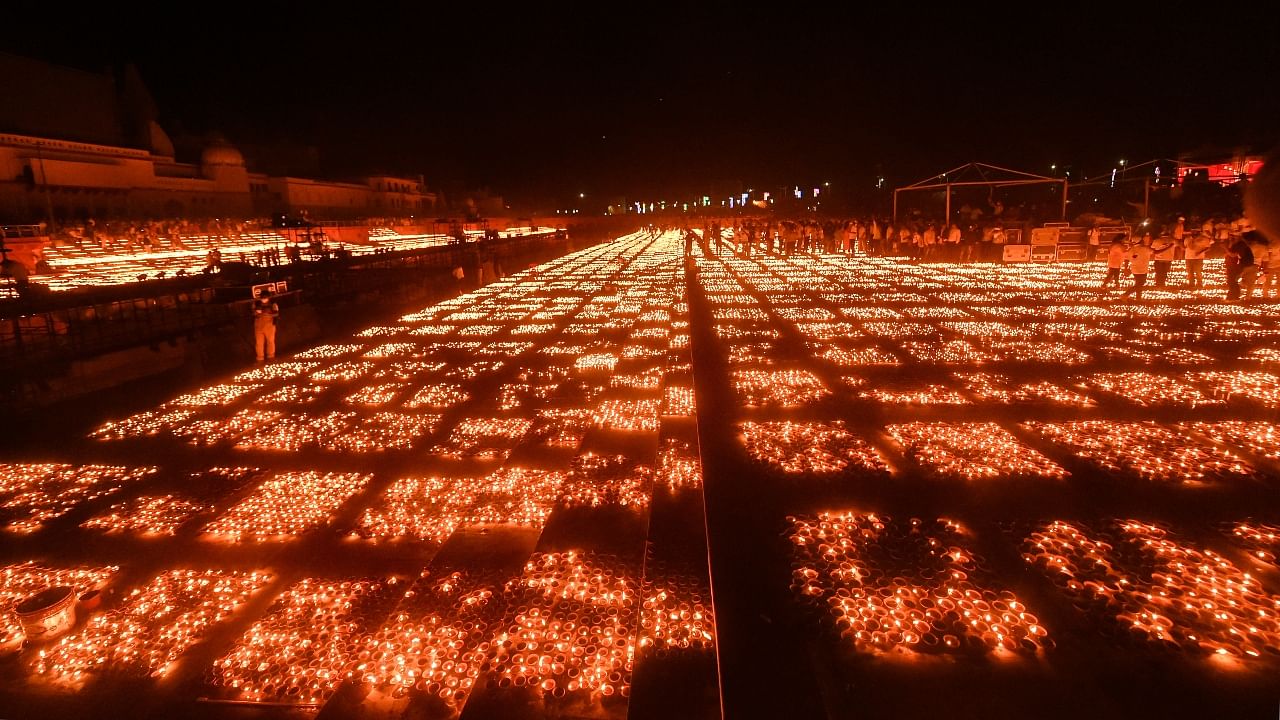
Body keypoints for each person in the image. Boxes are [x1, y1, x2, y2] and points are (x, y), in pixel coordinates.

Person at [1118, 235, 1153, 300]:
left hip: (1134, 270)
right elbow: (1155, 252)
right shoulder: (1145, 249)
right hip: (1143, 269)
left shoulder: (1131, 250)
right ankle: (1126, 294)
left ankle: (1138, 297)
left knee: (1138, 284)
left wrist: (1126, 268)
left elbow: (1126, 259)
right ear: (1140, 241)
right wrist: (1169, 247)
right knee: (1140, 284)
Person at [253, 290, 279, 362]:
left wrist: (268, 313)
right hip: (258, 326)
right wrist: (256, 312)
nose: (263, 299)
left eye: (265, 297)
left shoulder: (273, 304)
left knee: (270, 341)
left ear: (268, 297)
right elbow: (253, 313)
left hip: (269, 326)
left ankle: (271, 356)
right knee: (259, 343)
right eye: (262, 298)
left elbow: (277, 314)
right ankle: (260, 358)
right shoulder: (256, 304)